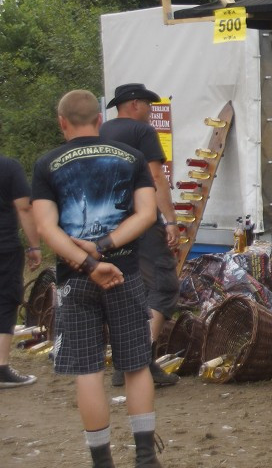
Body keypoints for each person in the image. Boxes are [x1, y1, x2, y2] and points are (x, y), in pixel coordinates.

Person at [31, 90, 161, 468]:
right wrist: (104, 246)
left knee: (87, 370)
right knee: (136, 366)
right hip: (126, 271)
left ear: (62, 122)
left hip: (75, 279)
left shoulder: (47, 163)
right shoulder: (132, 157)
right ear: (99, 121)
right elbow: (146, 214)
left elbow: (45, 226)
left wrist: (86, 262)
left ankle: (102, 461)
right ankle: (145, 458)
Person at [99, 83, 181, 388]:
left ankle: (124, 363)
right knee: (163, 284)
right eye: (147, 104)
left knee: (124, 288)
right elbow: (157, 176)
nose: (150, 109)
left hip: (109, 225)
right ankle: (142, 361)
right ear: (133, 104)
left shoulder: (103, 132)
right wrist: (169, 220)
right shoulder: (142, 133)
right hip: (141, 220)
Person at [0, 150, 42, 388]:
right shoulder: (8, 167)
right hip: (3, 247)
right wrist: (34, 245)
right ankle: (1, 367)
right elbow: (24, 208)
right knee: (5, 301)